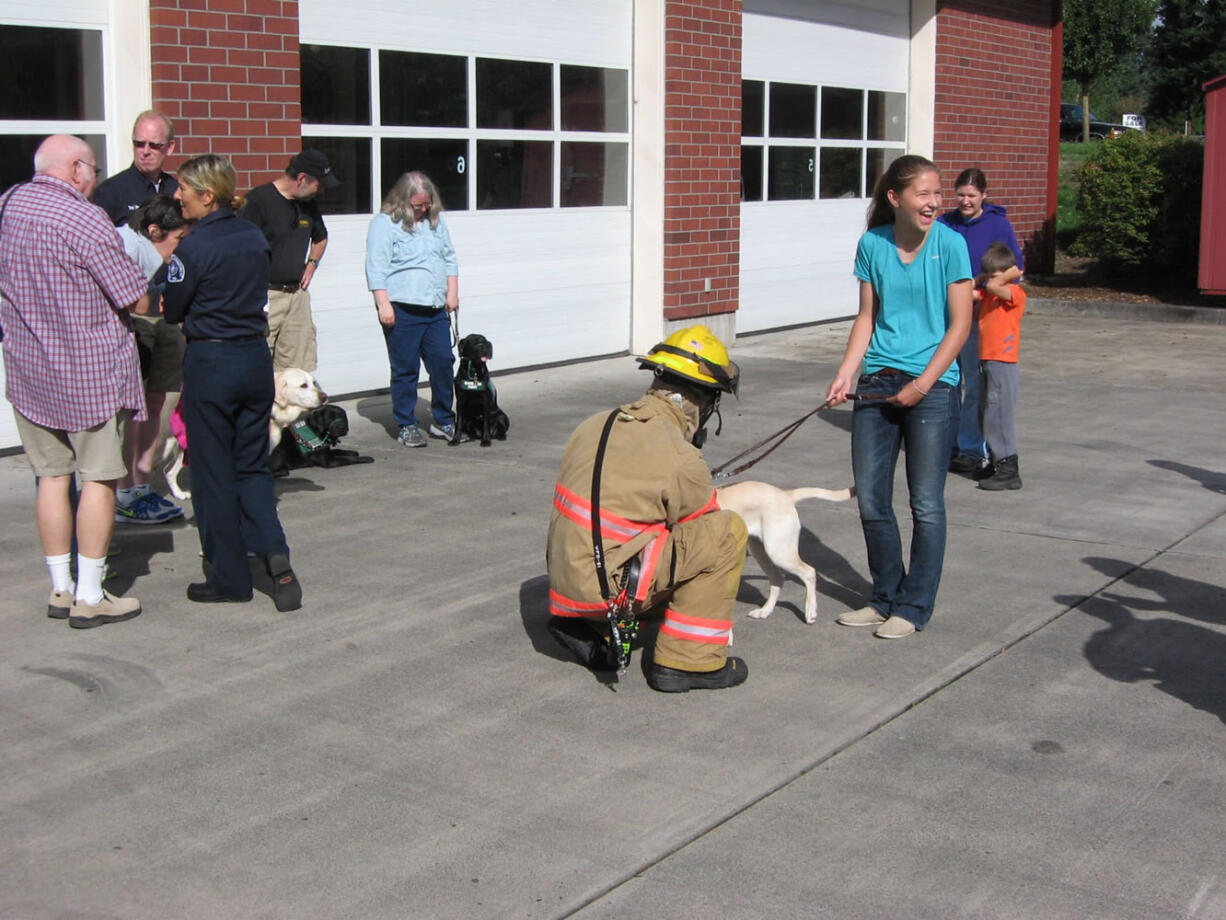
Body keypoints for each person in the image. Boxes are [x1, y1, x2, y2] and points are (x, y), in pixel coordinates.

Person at [546, 325, 750, 692]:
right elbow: (701, 524)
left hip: (566, 583)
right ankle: (687, 662)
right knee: (726, 533)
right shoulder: (680, 455)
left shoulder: (596, 423)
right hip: (605, 590)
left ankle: (593, 628)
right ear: (702, 400)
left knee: (642, 528)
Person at [0, 135, 149, 628]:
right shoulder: (83, 217)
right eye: (95, 168)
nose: (96, 178)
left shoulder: (8, 205)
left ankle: (60, 587)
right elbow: (135, 298)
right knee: (100, 480)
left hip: (29, 369)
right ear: (77, 168)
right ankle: (89, 595)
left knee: (52, 476)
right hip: (90, 373)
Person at [825, 155, 973, 639]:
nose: (934, 202)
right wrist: (846, 373)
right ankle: (884, 596)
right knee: (871, 499)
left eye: (937, 194)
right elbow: (867, 317)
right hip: (878, 381)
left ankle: (913, 607)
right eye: (924, 194)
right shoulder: (873, 244)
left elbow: (961, 326)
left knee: (926, 503)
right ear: (895, 198)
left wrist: (924, 384)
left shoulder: (950, 245)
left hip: (933, 386)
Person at [163, 154, 302, 610]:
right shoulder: (250, 235)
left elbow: (176, 308)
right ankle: (275, 554)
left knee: (212, 473)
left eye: (184, 188)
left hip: (213, 360)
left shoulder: (194, 246)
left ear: (207, 195)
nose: (177, 195)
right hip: (253, 359)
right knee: (252, 466)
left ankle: (229, 578)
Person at [365, 170, 465, 447]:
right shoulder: (384, 225)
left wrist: (452, 292)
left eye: (427, 203)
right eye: (418, 205)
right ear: (402, 201)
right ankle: (406, 423)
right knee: (405, 369)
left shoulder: (436, 222)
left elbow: (449, 257)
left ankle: (444, 419)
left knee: (444, 362)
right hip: (403, 308)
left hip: (434, 309)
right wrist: (383, 304)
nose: (423, 209)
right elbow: (376, 267)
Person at [937, 168, 1024, 476]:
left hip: (979, 319)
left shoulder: (997, 224)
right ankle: (947, 443)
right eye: (960, 194)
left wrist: (980, 286)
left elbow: (1017, 269)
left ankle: (972, 449)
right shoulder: (944, 224)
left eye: (972, 195)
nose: (965, 200)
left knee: (974, 384)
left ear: (984, 196)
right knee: (946, 381)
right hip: (946, 316)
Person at [114, 195, 192, 524]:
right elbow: (138, 303)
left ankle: (141, 489)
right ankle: (122, 494)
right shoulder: (125, 245)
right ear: (155, 230)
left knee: (153, 404)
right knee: (129, 413)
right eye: (179, 240)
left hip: (164, 327)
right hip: (128, 333)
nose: (181, 249)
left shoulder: (150, 252)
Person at [239, 150, 338, 373]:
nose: (321, 191)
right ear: (302, 178)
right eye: (319, 185)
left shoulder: (308, 204)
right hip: (266, 297)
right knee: (256, 367)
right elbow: (239, 252)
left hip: (297, 298)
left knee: (297, 373)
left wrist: (312, 263)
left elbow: (321, 238)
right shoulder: (257, 202)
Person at [974, 241, 1027, 491]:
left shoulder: (1014, 293)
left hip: (1003, 364)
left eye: (992, 276)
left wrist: (1009, 274)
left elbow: (996, 286)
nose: (988, 281)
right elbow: (966, 291)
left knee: (999, 416)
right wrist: (983, 276)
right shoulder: (990, 293)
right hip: (988, 362)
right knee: (986, 413)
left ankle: (1008, 469)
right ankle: (996, 461)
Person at [92, 111, 179, 226]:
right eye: (139, 144)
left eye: (154, 145)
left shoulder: (176, 190)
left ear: (169, 147)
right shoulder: (109, 192)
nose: (145, 151)